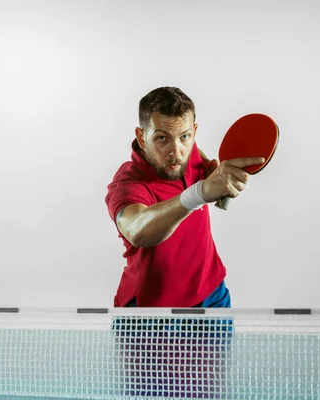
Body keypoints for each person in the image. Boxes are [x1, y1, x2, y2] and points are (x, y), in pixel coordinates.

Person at [105, 86, 264, 308]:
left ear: (194, 132)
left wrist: (213, 171)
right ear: (141, 137)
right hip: (152, 312)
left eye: (185, 136)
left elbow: (197, 156)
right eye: (162, 138)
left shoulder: (185, 152)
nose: (176, 152)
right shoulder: (128, 184)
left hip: (212, 295)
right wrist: (199, 193)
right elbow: (137, 230)